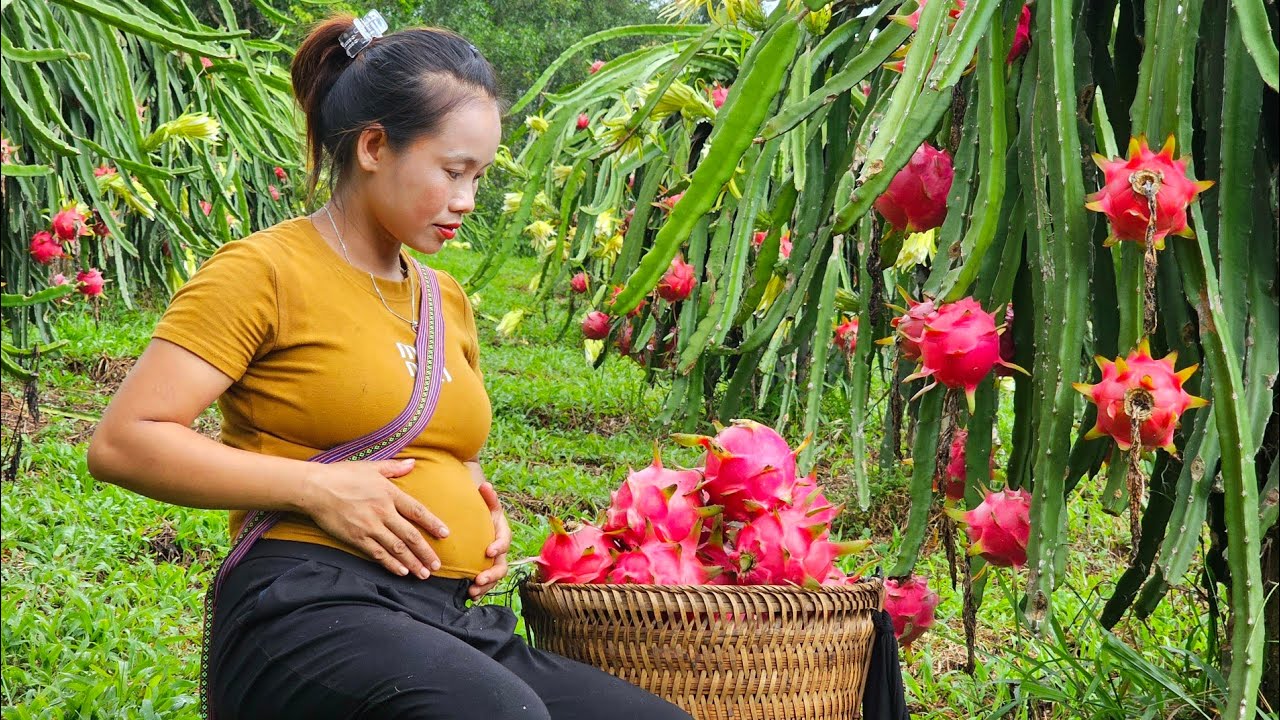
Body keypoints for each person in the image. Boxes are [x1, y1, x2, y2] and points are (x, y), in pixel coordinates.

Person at [87, 13, 693, 720]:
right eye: (452, 171)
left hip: (449, 615)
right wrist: (318, 492)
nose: (467, 201)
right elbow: (125, 441)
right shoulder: (262, 272)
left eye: (480, 177)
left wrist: (477, 504)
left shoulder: (445, 298)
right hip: (311, 602)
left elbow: (432, 438)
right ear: (374, 146)